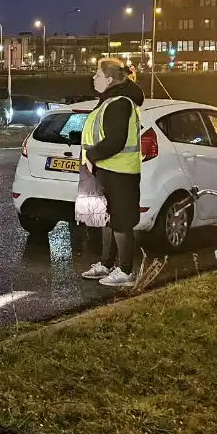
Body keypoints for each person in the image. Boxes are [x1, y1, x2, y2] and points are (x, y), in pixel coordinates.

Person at [79, 58, 145, 287]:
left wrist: (92, 155)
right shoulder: (109, 101)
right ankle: (107, 265)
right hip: (108, 169)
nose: (93, 78)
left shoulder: (119, 103)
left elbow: (116, 140)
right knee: (108, 220)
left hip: (120, 171)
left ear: (108, 79)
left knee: (121, 222)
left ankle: (125, 272)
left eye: (97, 75)